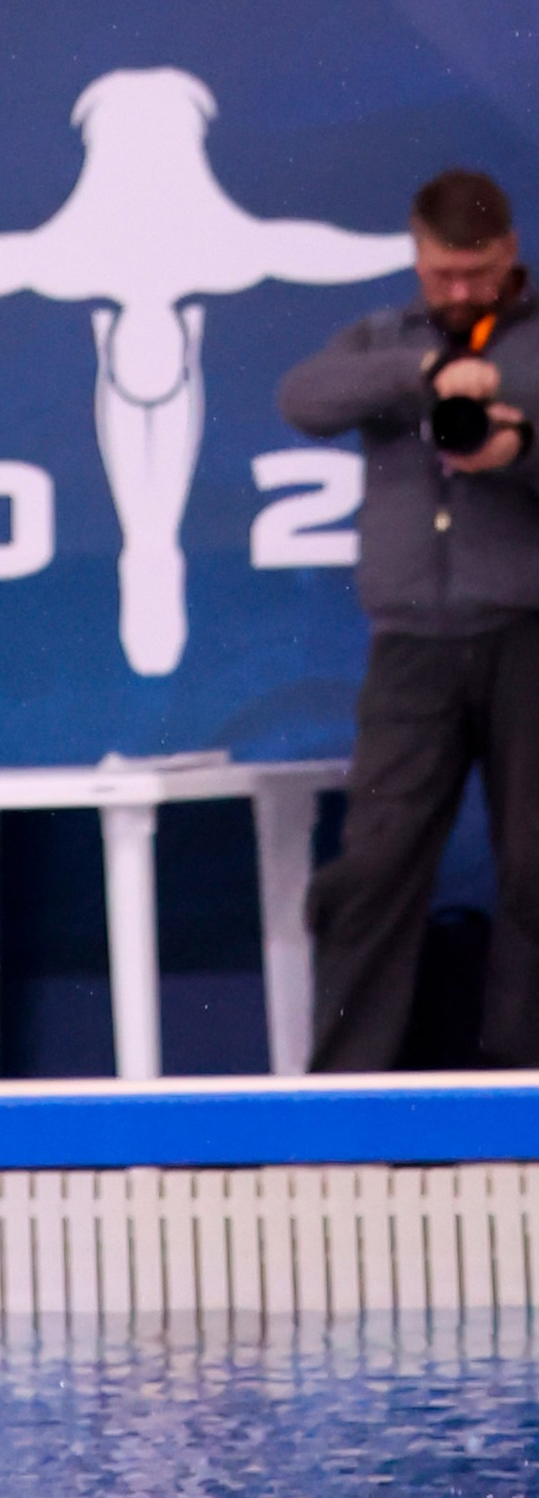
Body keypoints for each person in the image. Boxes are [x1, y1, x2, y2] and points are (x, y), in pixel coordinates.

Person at [279, 167, 539, 1070]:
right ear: (417, 257)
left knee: (536, 867)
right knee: (373, 871)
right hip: (411, 646)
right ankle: (347, 1099)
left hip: (527, 635)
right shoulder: (383, 339)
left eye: (478, 272)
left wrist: (518, 449)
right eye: (443, 274)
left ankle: (524, 1089)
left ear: (510, 250)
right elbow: (302, 398)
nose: (460, 292)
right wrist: (423, 374)